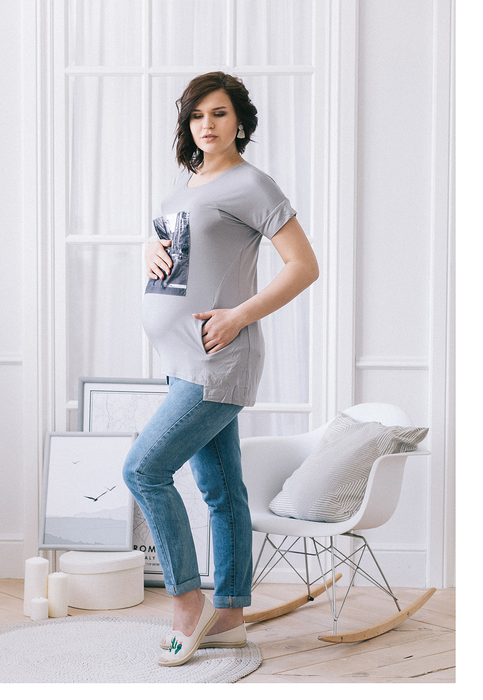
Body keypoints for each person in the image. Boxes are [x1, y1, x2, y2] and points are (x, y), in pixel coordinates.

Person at [122, 71, 319, 667]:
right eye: (197, 115)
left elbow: (303, 265)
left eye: (219, 113)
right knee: (221, 489)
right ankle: (229, 614)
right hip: (180, 359)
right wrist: (148, 248)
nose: (206, 125)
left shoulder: (252, 184)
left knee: (144, 470)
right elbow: (185, 254)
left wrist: (239, 315)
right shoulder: (183, 186)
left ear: (240, 122)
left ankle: (188, 606)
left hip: (217, 359)